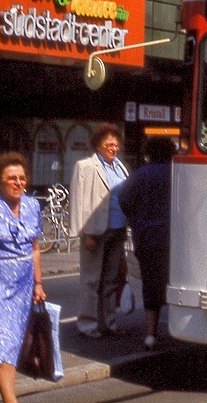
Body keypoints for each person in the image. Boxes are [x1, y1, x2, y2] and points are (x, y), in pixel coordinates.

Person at [68, 123, 129, 338]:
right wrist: (85, 234)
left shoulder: (120, 167)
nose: (113, 147)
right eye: (108, 144)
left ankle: (108, 323)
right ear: (98, 145)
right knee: (91, 280)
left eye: (115, 144)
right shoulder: (85, 167)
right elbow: (78, 201)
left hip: (117, 229)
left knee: (111, 280)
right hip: (95, 231)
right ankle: (87, 324)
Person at [0, 153, 45, 403]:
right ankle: (10, 399)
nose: (18, 182)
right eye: (11, 178)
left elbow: (35, 247)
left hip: (24, 285)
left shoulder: (33, 205)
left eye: (22, 178)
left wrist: (38, 283)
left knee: (12, 344)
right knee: (3, 342)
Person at [116, 137, 174, 350]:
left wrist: (137, 220)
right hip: (175, 239)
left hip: (147, 237)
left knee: (151, 284)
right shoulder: (179, 173)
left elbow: (123, 199)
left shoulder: (139, 176)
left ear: (149, 153)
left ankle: (151, 334)